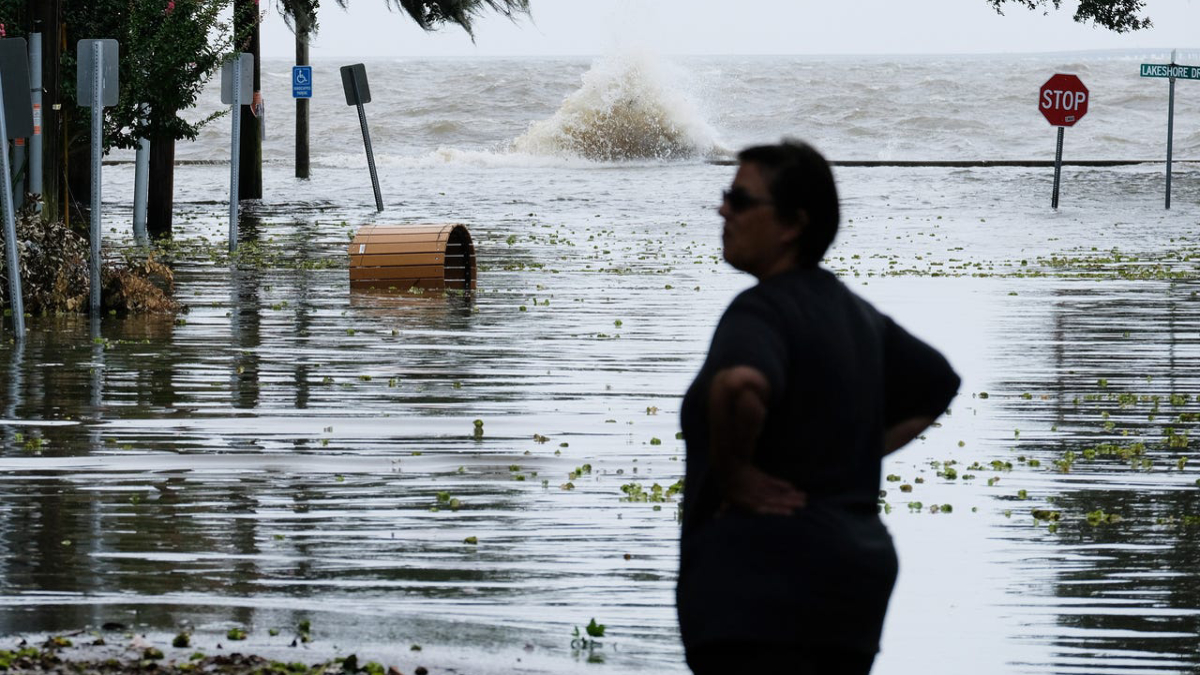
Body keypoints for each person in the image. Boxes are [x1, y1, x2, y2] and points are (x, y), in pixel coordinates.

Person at [676, 140, 960, 674]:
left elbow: (739, 385)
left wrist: (734, 475)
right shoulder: (856, 314)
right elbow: (937, 383)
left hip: (759, 590)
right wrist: (855, 455)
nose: (723, 209)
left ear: (791, 225)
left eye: (739, 199)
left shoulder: (759, 310)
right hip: (851, 589)